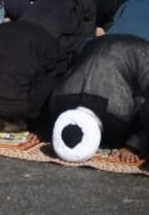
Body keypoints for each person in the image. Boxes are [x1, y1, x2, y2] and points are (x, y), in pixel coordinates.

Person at [49, 34, 149, 163]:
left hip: (141, 52)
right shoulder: (56, 102)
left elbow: (144, 107)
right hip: (95, 43)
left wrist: (133, 146)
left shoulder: (117, 115)